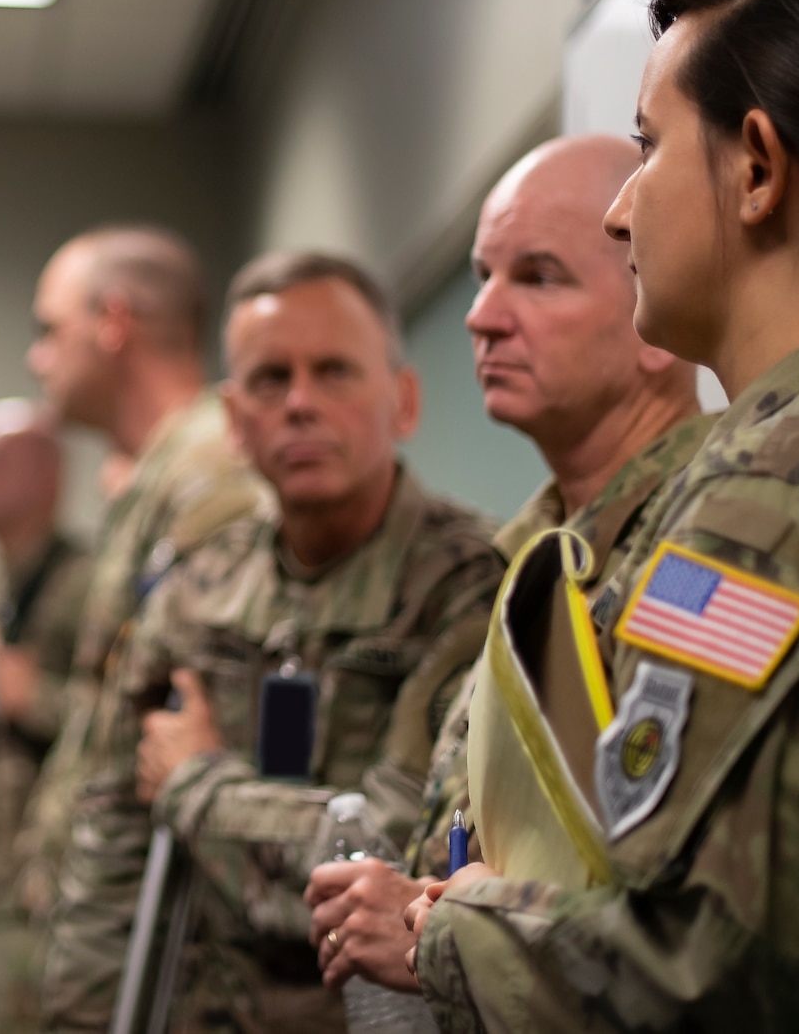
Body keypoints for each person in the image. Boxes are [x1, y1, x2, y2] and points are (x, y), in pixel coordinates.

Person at [408, 0, 799, 1028]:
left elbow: (700, 974)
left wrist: (443, 928)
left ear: (755, 168)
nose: (618, 212)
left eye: (647, 149)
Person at [302, 134, 707, 998]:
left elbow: (678, 933)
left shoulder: (705, 544)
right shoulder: (534, 557)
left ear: (655, 314)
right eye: (484, 273)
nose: (481, 314)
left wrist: (434, 932)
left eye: (538, 276)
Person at [79, 253, 503, 1031]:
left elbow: (396, 854)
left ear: (402, 401)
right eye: (271, 379)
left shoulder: (476, 586)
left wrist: (197, 784)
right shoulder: (193, 588)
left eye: (334, 371)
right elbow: (112, 843)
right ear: (235, 421)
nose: (300, 403)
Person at [18, 226, 264, 1017]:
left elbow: (197, 718)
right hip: (113, 933)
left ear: (113, 321)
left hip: (166, 955)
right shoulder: (160, 474)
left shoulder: (210, 472)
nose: (37, 357)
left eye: (49, 329)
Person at [0, 400, 95, 1034]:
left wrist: (31, 696)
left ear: (50, 473)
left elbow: (129, 730)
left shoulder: (89, 587)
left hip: (53, 898)